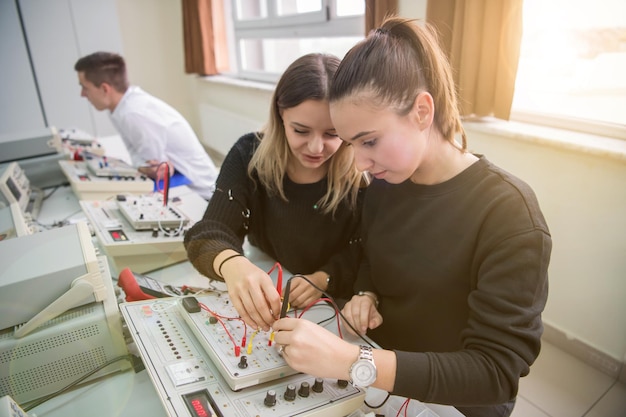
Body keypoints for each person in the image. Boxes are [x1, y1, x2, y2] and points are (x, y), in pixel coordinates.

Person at [272, 17, 552, 417]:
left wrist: (353, 362)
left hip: (452, 403)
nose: (360, 162)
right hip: (379, 377)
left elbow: (494, 372)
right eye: (351, 143)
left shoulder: (508, 213)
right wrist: (368, 292)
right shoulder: (386, 186)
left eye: (369, 141)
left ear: (422, 111)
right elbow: (373, 256)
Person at [184, 53, 368, 332]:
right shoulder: (249, 155)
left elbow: (364, 250)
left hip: (332, 305)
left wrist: (323, 278)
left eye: (333, 134)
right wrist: (233, 265)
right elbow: (206, 234)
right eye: (301, 130)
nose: (316, 148)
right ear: (280, 114)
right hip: (273, 278)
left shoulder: (362, 170)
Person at [74, 51, 218, 200]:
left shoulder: (134, 114)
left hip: (202, 195)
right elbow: (140, 160)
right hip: (182, 185)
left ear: (105, 89)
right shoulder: (119, 109)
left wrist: (143, 168)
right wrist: (142, 167)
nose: (82, 94)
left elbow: (158, 171)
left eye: (85, 87)